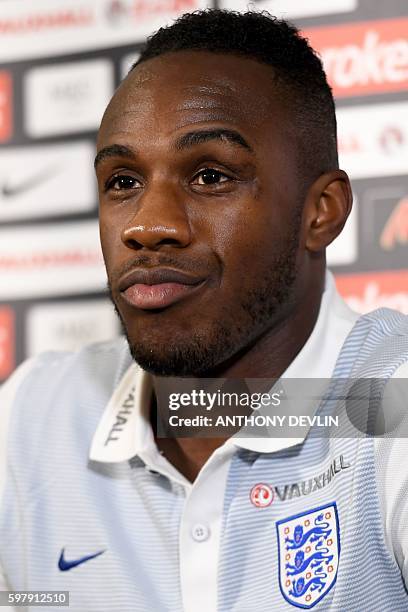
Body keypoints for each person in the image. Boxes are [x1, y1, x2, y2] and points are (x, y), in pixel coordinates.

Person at [1, 9, 408, 612]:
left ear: (321, 212)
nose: (147, 225)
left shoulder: (391, 404)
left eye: (211, 175)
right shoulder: (34, 415)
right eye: (122, 182)